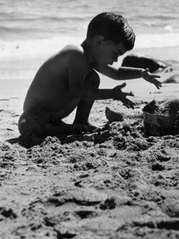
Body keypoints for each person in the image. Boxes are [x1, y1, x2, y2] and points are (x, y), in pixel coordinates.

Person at [18, 12, 161, 144]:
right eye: (115, 53)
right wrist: (112, 93)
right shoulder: (76, 54)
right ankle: (68, 129)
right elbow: (77, 92)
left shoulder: (92, 60)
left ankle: (81, 122)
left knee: (93, 78)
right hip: (36, 114)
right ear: (99, 41)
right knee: (27, 124)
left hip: (54, 117)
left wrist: (141, 73)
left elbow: (116, 74)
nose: (116, 59)